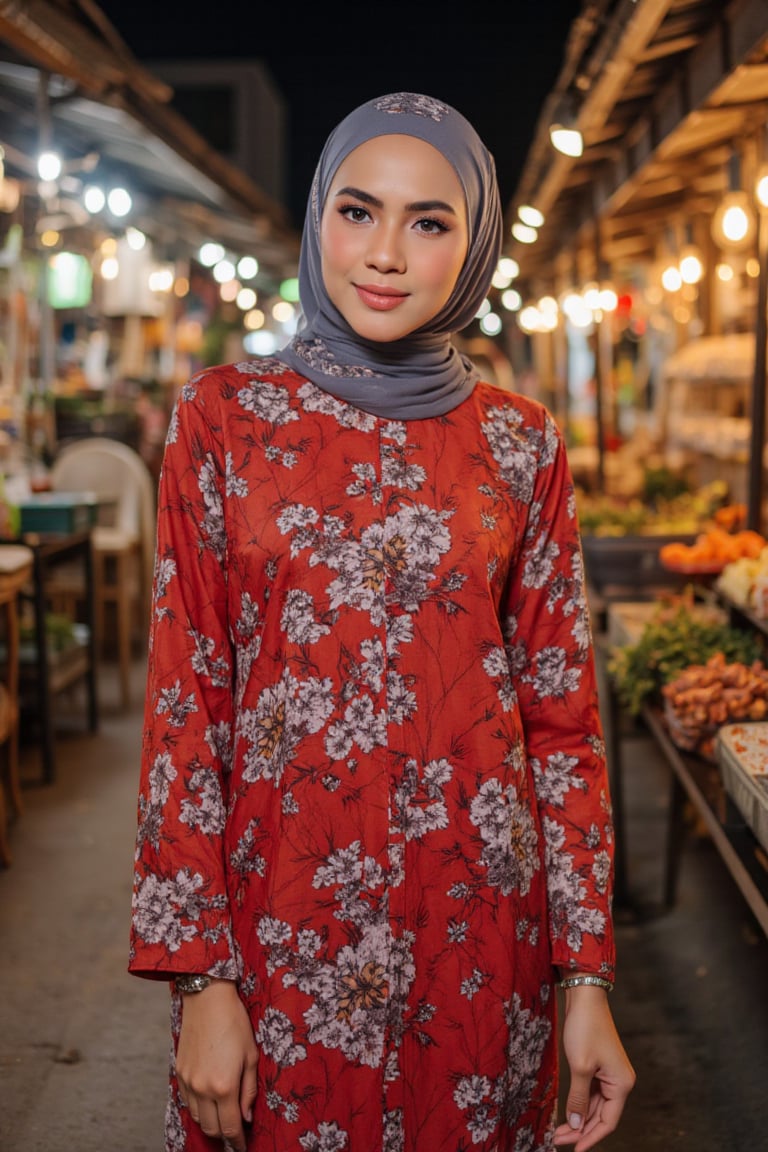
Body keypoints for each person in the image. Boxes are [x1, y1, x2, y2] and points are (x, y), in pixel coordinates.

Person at [129, 91, 635, 1152]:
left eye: (431, 221)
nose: (388, 253)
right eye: (358, 211)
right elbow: (187, 710)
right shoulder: (220, 422)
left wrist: (584, 977)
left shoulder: (522, 444)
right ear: (318, 219)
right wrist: (202, 977)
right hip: (280, 942)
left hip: (484, 947)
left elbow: (563, 726)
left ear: (475, 242)